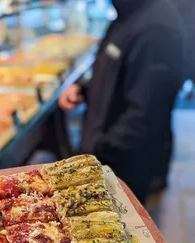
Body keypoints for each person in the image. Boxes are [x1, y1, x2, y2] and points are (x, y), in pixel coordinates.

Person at [59, 0, 186, 204]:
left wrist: (102, 149)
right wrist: (84, 89)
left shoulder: (156, 28)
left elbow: (145, 113)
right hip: (104, 155)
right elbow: (115, 71)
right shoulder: (127, 13)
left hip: (124, 166)